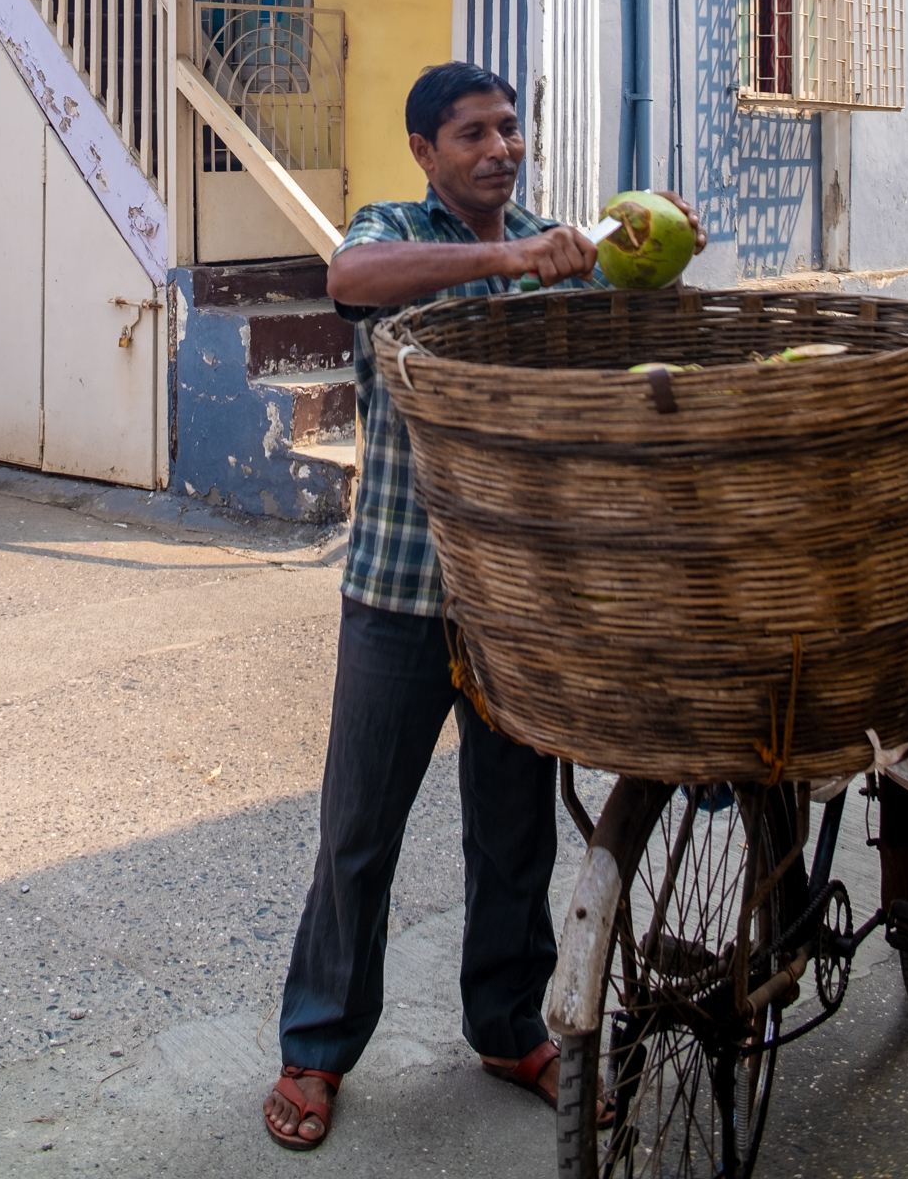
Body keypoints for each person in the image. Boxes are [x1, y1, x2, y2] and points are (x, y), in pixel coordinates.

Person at [262, 62, 706, 1152]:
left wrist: (664, 246)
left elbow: (649, 329)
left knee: (514, 835)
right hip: (400, 593)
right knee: (358, 832)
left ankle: (509, 1029)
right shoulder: (398, 229)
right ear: (425, 150)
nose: (500, 148)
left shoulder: (566, 246)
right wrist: (507, 256)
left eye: (509, 128)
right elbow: (350, 275)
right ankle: (316, 1048)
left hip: (521, 605)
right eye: (472, 133)